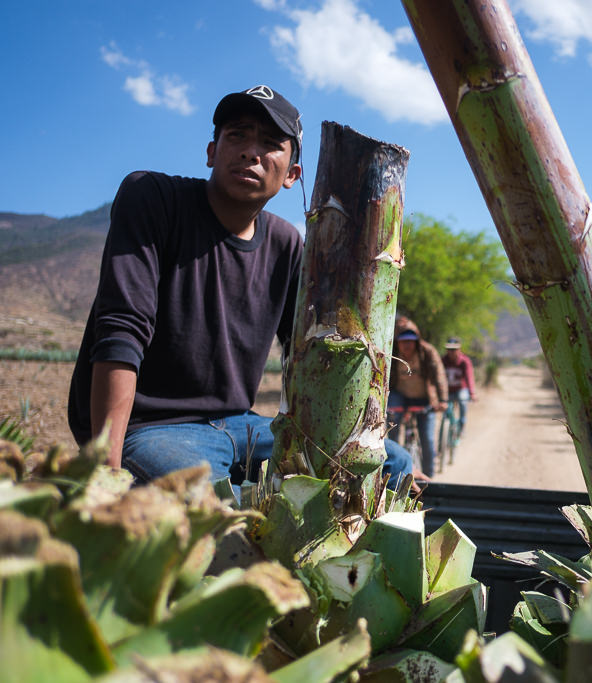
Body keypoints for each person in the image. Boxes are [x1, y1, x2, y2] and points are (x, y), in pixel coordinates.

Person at [68, 84, 412, 490]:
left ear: (292, 175)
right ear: (212, 152)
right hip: (153, 426)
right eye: (237, 136)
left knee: (391, 463)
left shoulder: (286, 244)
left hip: (240, 425)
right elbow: (121, 330)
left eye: (270, 144)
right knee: (222, 512)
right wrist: (105, 473)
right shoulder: (153, 198)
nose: (251, 151)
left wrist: (350, 440)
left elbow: (308, 356)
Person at [388, 317, 448, 477]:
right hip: (399, 397)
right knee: (391, 432)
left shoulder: (427, 352)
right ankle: (393, 473)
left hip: (424, 399)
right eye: (403, 340)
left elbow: (439, 375)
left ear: (416, 341)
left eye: (410, 340)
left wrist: (442, 400)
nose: (407, 345)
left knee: (427, 440)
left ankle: (429, 478)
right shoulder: (390, 351)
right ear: (397, 341)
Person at [442, 337, 476, 436]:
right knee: (444, 407)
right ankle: (444, 434)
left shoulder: (464, 361)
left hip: (460, 389)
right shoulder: (443, 360)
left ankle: (462, 425)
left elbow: (469, 377)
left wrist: (472, 392)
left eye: (454, 349)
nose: (451, 352)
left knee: (463, 401)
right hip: (447, 391)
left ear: (459, 349)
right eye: (449, 349)